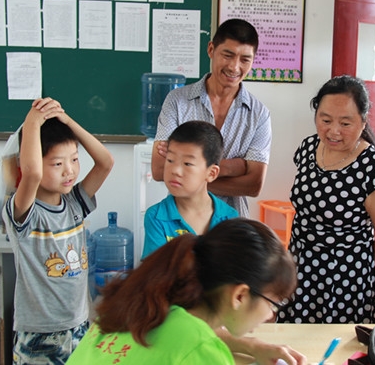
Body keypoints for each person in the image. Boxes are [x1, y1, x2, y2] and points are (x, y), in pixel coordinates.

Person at [66, 218, 299, 364]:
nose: (270, 315)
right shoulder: (202, 349)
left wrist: (253, 346)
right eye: (272, 303)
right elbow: (195, 345)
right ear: (240, 295)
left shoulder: (147, 305)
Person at [276, 75, 375, 324]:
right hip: (299, 270)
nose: (333, 131)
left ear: (363, 121)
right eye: (325, 120)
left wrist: (353, 258)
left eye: (345, 123)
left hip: (344, 281)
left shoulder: (373, 168)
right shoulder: (308, 148)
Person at [3, 97, 114, 364]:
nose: (70, 171)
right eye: (57, 164)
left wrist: (66, 121)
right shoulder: (25, 213)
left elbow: (106, 162)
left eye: (74, 160)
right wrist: (32, 121)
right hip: (39, 334)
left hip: (78, 324)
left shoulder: (75, 203)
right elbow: (31, 174)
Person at [151, 18, 271, 218]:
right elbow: (158, 168)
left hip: (232, 225)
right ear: (211, 49)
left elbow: (253, 185)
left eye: (245, 59)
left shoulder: (259, 114)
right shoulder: (177, 101)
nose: (234, 67)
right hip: (181, 220)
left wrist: (189, 171)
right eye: (227, 55)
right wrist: (234, 167)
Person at [141, 120, 238, 259]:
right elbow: (156, 274)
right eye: (170, 160)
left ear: (211, 173)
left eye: (187, 163)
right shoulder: (156, 217)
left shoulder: (229, 218)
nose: (175, 170)